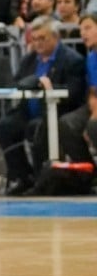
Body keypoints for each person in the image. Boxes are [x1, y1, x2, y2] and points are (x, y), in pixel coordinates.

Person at [0, 16, 85, 196]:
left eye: (42, 38)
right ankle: (22, 176)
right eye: (34, 39)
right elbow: (17, 82)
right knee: (6, 126)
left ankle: (41, 179)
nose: (37, 43)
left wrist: (49, 87)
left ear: (56, 37)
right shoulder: (30, 60)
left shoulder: (72, 60)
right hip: (28, 109)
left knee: (35, 128)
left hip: (56, 111)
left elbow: (74, 92)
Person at [57, 13, 97, 166]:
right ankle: (89, 172)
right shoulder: (91, 57)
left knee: (94, 126)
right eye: (81, 30)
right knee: (67, 124)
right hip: (94, 103)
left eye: (88, 28)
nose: (83, 33)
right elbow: (93, 90)